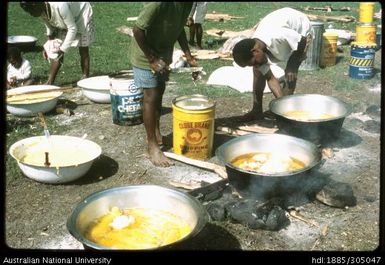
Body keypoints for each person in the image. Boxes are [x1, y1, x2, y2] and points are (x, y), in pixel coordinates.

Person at [130, 2, 199, 167]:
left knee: (159, 94)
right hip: (145, 56)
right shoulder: (158, 3)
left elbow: (179, 28)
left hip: (164, 55)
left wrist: (189, 57)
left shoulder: (188, 4)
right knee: (151, 96)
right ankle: (151, 146)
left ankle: (157, 133)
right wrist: (152, 59)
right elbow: (137, 30)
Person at [232, 7, 312, 121]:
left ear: (255, 51)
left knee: (290, 73)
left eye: (253, 63)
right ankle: (257, 110)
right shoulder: (255, 47)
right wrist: (279, 100)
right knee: (258, 72)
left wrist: (292, 66)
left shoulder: (277, 35)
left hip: (301, 29)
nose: (255, 65)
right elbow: (270, 78)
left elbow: (302, 40)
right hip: (283, 26)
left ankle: (285, 113)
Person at [20, 2, 95, 85]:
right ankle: (50, 81)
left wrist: (63, 50)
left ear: (36, 5)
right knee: (56, 50)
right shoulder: (41, 9)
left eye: (32, 11)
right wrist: (49, 45)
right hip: (65, 19)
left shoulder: (60, 5)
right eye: (29, 12)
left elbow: (72, 28)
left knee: (83, 47)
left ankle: (85, 77)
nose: (32, 14)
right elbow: (48, 25)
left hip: (81, 14)